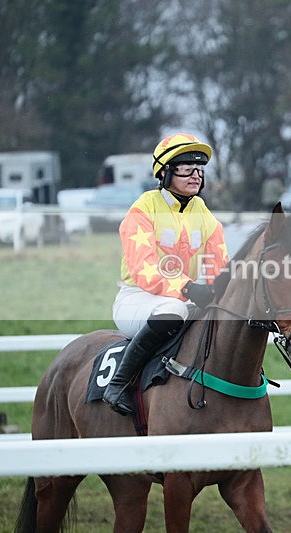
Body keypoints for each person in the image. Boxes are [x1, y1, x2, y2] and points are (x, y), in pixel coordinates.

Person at [103, 133, 230, 415]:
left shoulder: (204, 213)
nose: (196, 175)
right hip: (138, 298)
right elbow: (145, 270)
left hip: (184, 299)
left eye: (199, 169)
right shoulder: (143, 208)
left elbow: (219, 267)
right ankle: (119, 384)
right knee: (174, 309)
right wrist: (189, 289)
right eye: (186, 168)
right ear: (165, 171)